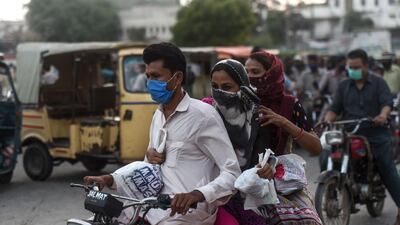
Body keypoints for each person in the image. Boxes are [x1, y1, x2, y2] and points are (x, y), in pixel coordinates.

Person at [84, 42, 241, 225]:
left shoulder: (203, 116)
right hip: (150, 207)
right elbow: (147, 169)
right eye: (148, 76)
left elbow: (232, 173)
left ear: (177, 78)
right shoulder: (157, 115)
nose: (150, 82)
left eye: (156, 76)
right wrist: (111, 179)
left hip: (187, 214)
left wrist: (197, 194)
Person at [200, 57, 322, 224]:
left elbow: (315, 148)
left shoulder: (277, 107)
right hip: (224, 184)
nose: (251, 77)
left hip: (272, 182)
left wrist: (284, 122)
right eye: (247, 72)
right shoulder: (211, 109)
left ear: (272, 74)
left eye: (256, 72)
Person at [325, 49, 400, 225]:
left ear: (366, 65)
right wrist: (326, 120)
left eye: (356, 67)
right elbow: (334, 109)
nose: (352, 70)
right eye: (350, 67)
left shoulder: (379, 82)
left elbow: (387, 103)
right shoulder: (344, 85)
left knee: (386, 167)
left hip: (376, 133)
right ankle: (331, 191)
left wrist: (382, 116)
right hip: (349, 133)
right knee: (326, 155)